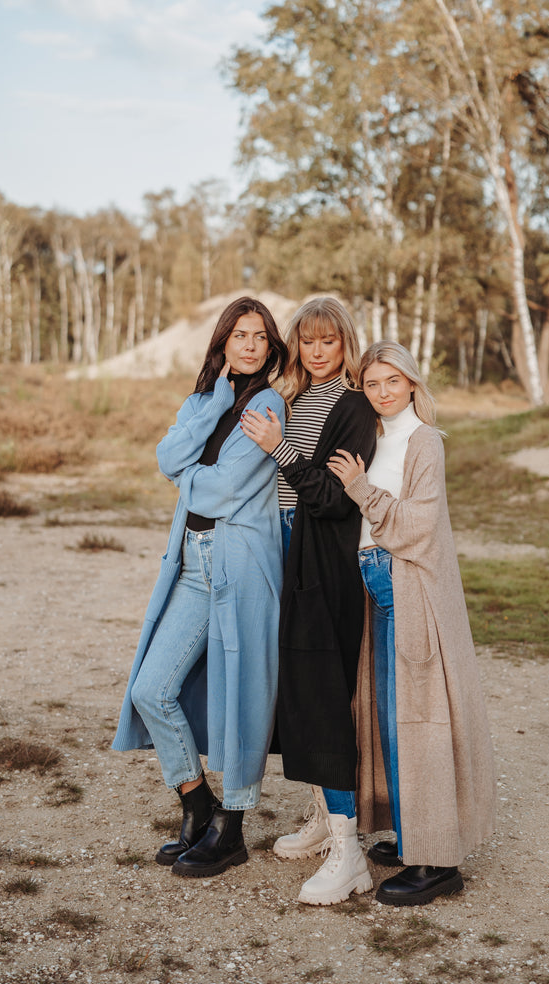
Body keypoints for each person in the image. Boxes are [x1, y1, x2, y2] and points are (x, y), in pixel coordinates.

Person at [112, 297, 288, 879]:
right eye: (239, 335)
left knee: (240, 695)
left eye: (260, 337)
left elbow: (214, 489)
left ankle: (232, 830)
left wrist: (184, 475)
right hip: (191, 563)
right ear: (222, 343)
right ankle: (197, 802)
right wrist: (209, 409)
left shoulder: (266, 404)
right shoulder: (205, 400)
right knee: (151, 689)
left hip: (239, 566)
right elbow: (166, 454)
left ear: (270, 347)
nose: (250, 345)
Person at [326, 340, 496, 907]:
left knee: (417, 718)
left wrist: (361, 490)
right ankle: (411, 834)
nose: (382, 392)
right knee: (387, 716)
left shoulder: (424, 439)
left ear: (412, 383)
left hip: (408, 586)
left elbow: (419, 526)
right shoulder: (375, 435)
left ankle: (437, 862)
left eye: (392, 382)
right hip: (374, 582)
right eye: (372, 384)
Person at [241, 296, 377, 905]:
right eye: (309, 341)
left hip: (326, 562)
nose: (318, 352)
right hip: (289, 553)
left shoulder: (352, 407)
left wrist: (280, 449)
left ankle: (351, 854)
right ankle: (325, 818)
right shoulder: (293, 401)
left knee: (323, 697)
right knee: (299, 690)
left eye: (329, 341)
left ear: (346, 342)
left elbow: (333, 498)